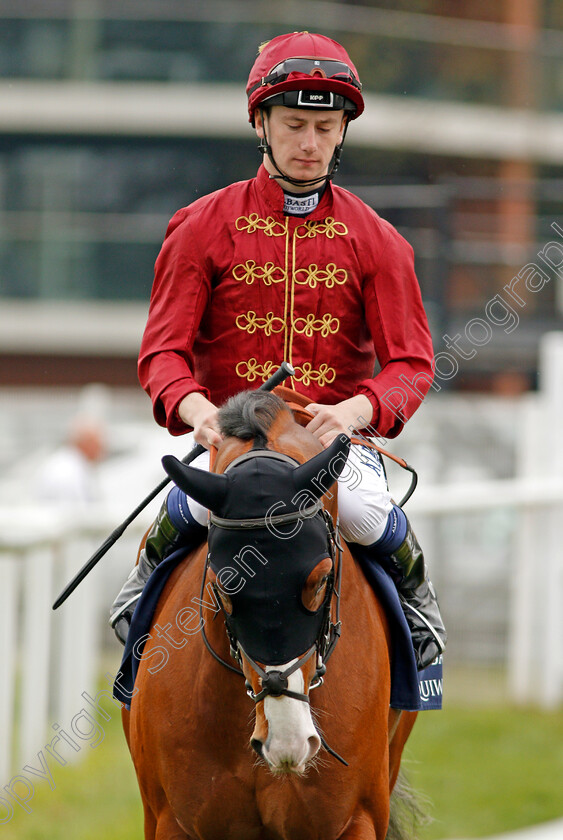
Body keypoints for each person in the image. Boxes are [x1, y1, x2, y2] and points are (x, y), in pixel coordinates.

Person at [109, 31, 446, 669]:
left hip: (329, 446)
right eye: (295, 125)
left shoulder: (379, 240)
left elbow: (411, 364)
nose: (310, 144)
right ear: (261, 122)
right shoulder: (200, 226)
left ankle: (420, 610)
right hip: (230, 443)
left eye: (326, 126)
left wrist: (355, 411)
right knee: (189, 512)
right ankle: (139, 601)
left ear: (343, 131)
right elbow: (162, 354)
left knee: (370, 511)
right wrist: (196, 411)